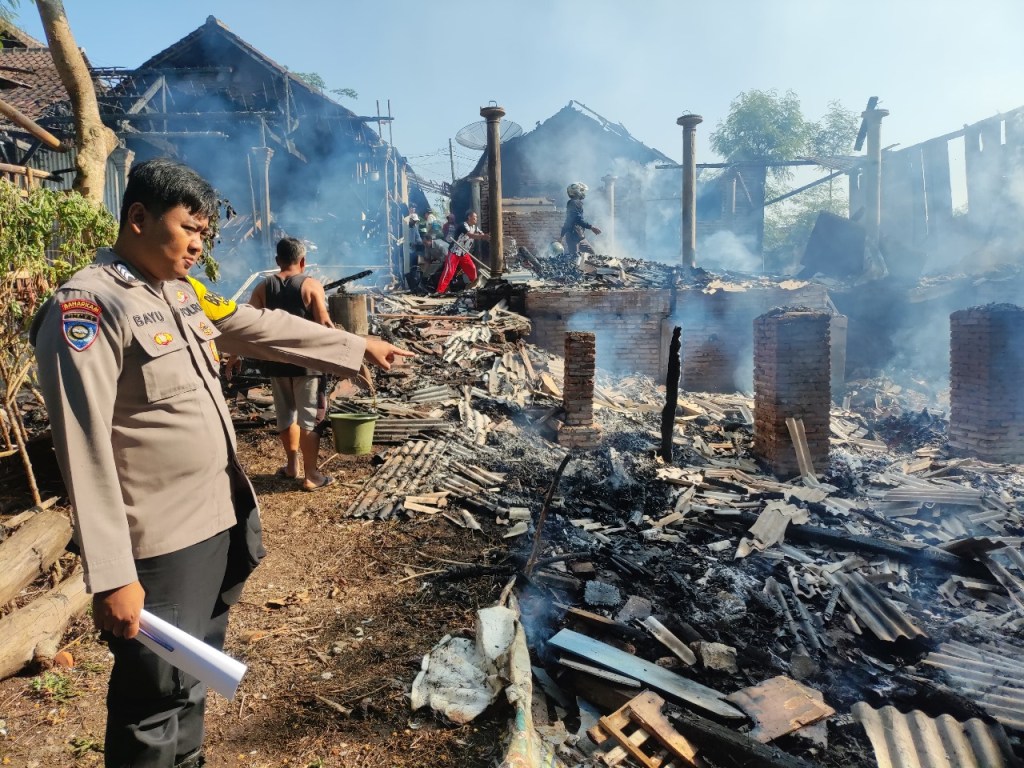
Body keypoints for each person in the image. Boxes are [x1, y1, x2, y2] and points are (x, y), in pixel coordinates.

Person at [29, 158, 412, 768]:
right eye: (190, 229)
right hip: (158, 544)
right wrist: (110, 573)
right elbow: (83, 446)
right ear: (137, 218)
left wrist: (353, 344)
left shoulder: (181, 291)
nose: (200, 244)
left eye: (205, 233)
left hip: (214, 520)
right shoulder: (91, 305)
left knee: (191, 679)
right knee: (152, 700)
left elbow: (253, 326)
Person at [247, 237, 335, 491]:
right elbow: (324, 324)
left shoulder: (264, 287)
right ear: (303, 261)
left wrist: (234, 355)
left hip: (276, 363)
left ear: (277, 261)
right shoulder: (311, 285)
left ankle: (291, 465)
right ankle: (311, 476)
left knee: (286, 415)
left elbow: (249, 323)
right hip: (307, 366)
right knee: (310, 419)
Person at [436, 210, 487, 294]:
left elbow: (482, 234)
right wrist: (483, 236)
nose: (476, 219)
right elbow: (470, 235)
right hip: (454, 252)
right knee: (449, 271)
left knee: (472, 268)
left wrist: (487, 237)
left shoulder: (475, 227)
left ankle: (474, 287)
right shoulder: (463, 225)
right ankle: (439, 291)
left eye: (476, 217)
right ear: (469, 217)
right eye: (474, 217)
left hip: (464, 253)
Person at [560, 181, 601, 256]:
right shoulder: (574, 203)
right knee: (575, 258)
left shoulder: (573, 203)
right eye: (582, 191)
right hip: (573, 237)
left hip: (580, 236)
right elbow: (577, 218)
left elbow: (567, 221)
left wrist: (562, 235)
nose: (583, 193)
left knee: (591, 254)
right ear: (577, 192)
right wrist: (591, 227)